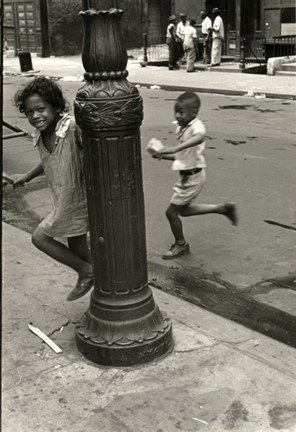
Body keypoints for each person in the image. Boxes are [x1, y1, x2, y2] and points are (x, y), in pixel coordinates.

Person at [12, 77, 93, 301]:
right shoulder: (41, 134)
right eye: (29, 112)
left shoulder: (71, 127)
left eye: (40, 109)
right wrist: (26, 176)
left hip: (78, 199)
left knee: (40, 238)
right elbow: (48, 160)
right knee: (78, 248)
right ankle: (105, 282)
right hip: (63, 200)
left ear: (56, 106)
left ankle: (87, 272)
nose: (35, 116)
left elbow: (96, 151)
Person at [151, 91, 238, 260]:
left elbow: (200, 137)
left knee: (171, 213)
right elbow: (183, 156)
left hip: (193, 177)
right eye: (175, 111)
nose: (177, 115)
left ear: (193, 112)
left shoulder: (196, 126)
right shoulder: (182, 127)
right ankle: (222, 209)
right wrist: (162, 155)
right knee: (183, 211)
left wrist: (174, 148)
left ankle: (181, 244)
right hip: (189, 175)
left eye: (181, 112)